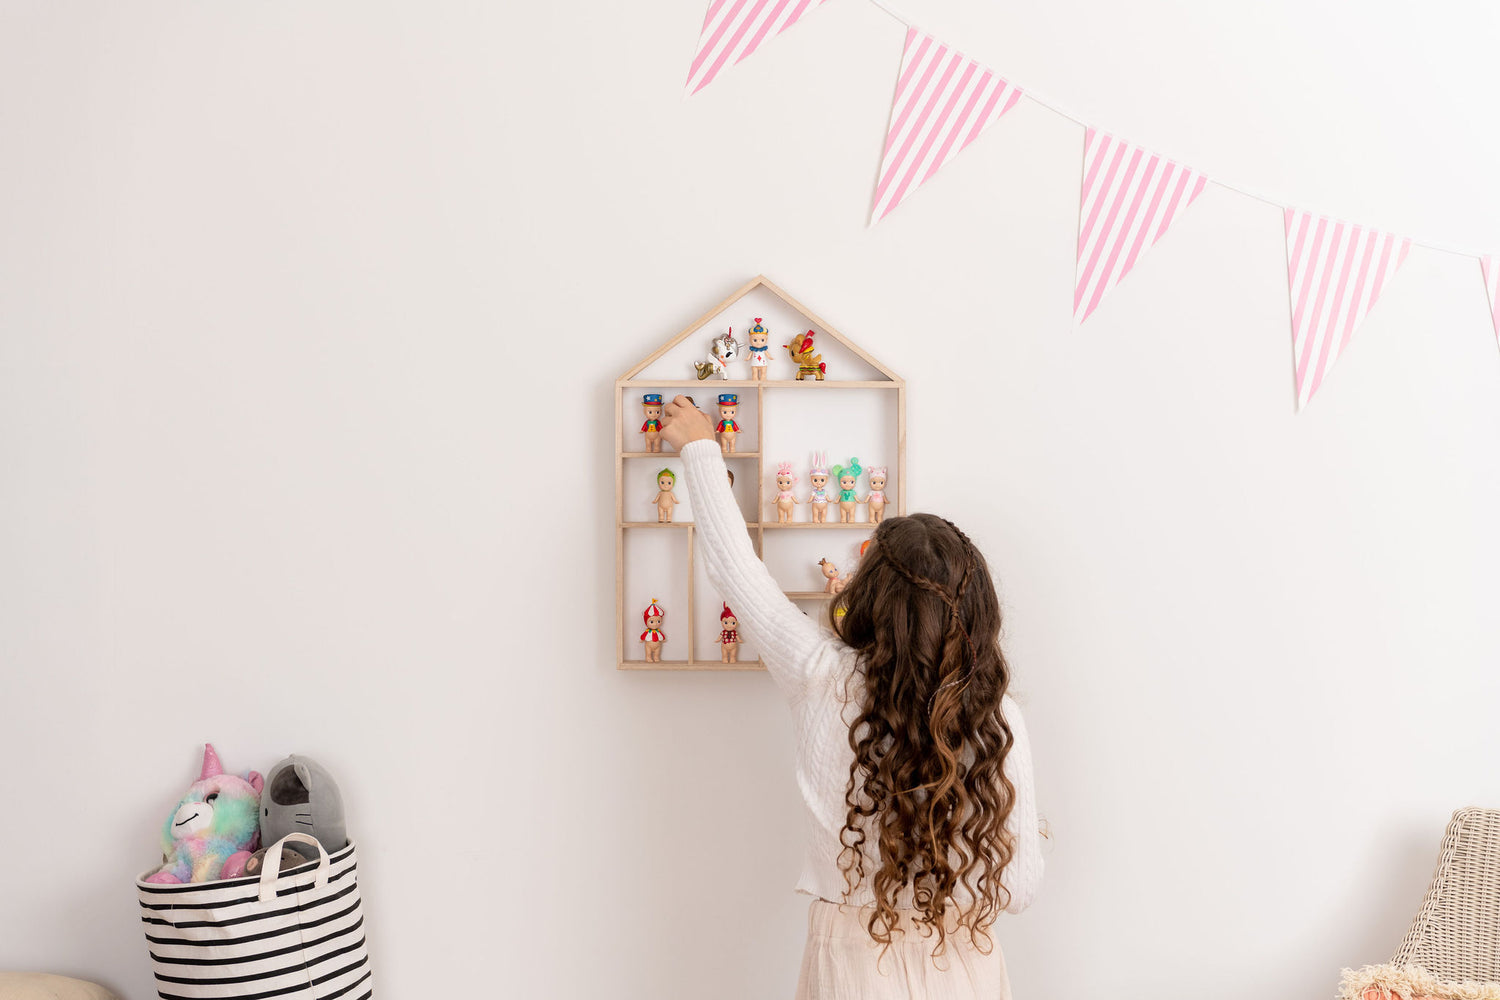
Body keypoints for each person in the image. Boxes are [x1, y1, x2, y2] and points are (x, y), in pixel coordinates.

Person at [660, 396, 1043, 1000]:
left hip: (854, 966)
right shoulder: (997, 718)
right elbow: (1017, 890)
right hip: (967, 965)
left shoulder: (822, 675)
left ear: (873, 597)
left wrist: (700, 448)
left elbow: (736, 571)